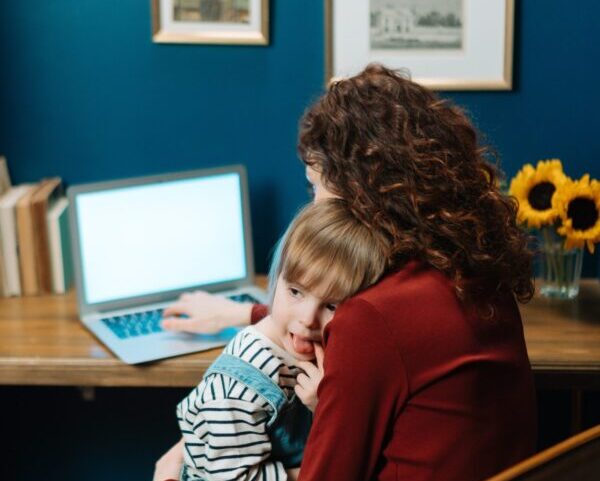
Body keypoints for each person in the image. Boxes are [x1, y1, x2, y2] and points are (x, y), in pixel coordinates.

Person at [157, 63, 537, 481]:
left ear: (363, 193)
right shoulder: (468, 266)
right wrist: (243, 314)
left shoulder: (374, 318)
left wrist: (196, 457)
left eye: (315, 187)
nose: (315, 206)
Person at [155, 199, 389, 481]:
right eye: (295, 292)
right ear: (275, 279)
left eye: (332, 306)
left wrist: (324, 407)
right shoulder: (234, 391)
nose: (307, 319)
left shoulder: (321, 349)